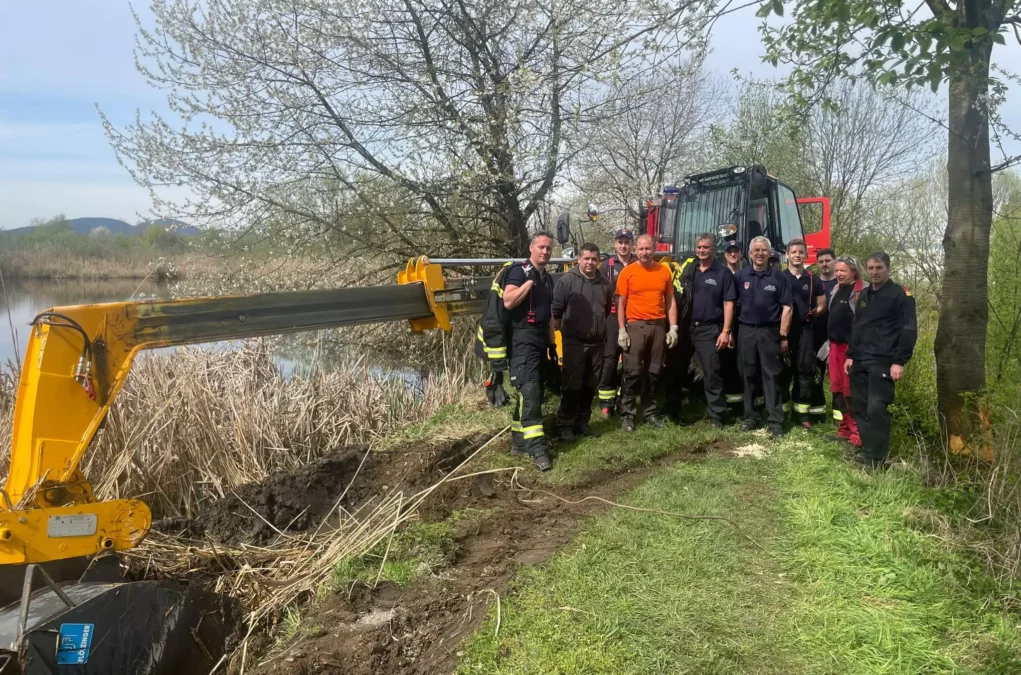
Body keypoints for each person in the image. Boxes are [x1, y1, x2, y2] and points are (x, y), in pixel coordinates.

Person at [845, 252, 917, 471]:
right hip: (860, 360)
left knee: (876, 409)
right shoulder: (864, 296)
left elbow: (909, 330)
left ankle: (877, 459)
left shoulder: (900, 295)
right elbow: (857, 327)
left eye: (879, 268)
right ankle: (869, 452)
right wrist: (850, 355)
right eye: (871, 268)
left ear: (888, 268)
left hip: (883, 362)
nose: (874, 272)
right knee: (859, 407)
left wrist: (899, 361)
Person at [502, 232, 557, 471]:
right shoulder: (519, 271)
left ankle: (518, 443)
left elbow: (547, 317)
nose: (545, 252)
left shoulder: (546, 278)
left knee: (529, 392)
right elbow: (508, 301)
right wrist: (529, 282)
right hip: (522, 339)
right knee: (531, 392)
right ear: (531, 247)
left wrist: (552, 344)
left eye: (549, 248)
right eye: (541, 247)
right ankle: (538, 450)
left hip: (539, 340)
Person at [616, 234, 678, 432]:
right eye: (641, 249)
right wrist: (621, 330)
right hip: (635, 325)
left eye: (648, 249)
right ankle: (627, 415)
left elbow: (670, 301)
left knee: (654, 371)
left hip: (658, 326)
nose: (645, 252)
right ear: (636, 250)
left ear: (654, 250)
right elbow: (621, 303)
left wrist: (673, 327)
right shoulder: (628, 272)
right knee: (632, 371)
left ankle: (650, 412)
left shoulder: (664, 271)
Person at [552, 243, 612, 442]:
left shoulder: (604, 283)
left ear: (599, 261)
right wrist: (556, 341)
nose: (590, 262)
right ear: (578, 259)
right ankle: (565, 425)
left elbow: (606, 309)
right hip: (574, 344)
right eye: (586, 258)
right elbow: (556, 314)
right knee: (572, 385)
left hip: (597, 344)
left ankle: (582, 423)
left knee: (590, 385)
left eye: (594, 259)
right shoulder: (567, 281)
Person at [734, 236, 793, 439]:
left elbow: (787, 308)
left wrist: (783, 335)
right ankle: (750, 416)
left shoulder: (779, 278)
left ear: (769, 253)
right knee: (748, 374)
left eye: (763, 250)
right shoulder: (741, 276)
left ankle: (775, 421)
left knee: (771, 375)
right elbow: (731, 305)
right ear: (750, 254)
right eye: (756, 250)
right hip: (746, 331)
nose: (760, 253)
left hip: (770, 332)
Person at [686, 234, 736, 428]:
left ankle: (716, 414)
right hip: (688, 327)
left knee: (711, 371)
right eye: (699, 247)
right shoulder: (690, 270)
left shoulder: (723, 273)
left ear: (714, 250)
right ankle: (675, 409)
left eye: (706, 247)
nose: (701, 250)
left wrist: (725, 330)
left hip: (710, 329)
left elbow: (728, 303)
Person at [782, 238, 827, 428]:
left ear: (805, 255)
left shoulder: (812, 279)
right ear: (787, 255)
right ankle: (781, 413)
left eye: (801, 252)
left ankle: (801, 416)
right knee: (782, 372)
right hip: (783, 332)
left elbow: (822, 304)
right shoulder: (779, 277)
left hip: (805, 331)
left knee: (805, 372)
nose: (797, 255)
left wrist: (813, 313)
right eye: (794, 252)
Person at [597, 229, 636, 418]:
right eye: (620, 242)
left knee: (631, 361)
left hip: (634, 319)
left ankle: (625, 399)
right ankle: (606, 401)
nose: (623, 245)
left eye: (627, 242)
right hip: (612, 319)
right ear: (615, 244)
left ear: (632, 245)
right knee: (610, 360)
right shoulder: (606, 266)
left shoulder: (639, 264)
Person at [827, 255, 864, 449]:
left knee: (851, 392)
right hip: (834, 346)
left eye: (843, 271)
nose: (839, 274)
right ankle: (844, 429)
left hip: (851, 350)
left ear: (854, 271)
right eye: (837, 270)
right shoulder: (836, 288)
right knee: (837, 390)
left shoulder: (862, 291)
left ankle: (857, 434)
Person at [721, 239, 745, 413]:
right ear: (724, 255)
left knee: (744, 363)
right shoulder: (720, 275)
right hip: (724, 325)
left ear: (741, 254)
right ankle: (730, 403)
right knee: (726, 363)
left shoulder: (747, 275)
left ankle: (744, 401)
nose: (733, 254)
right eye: (729, 251)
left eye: (736, 251)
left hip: (744, 325)